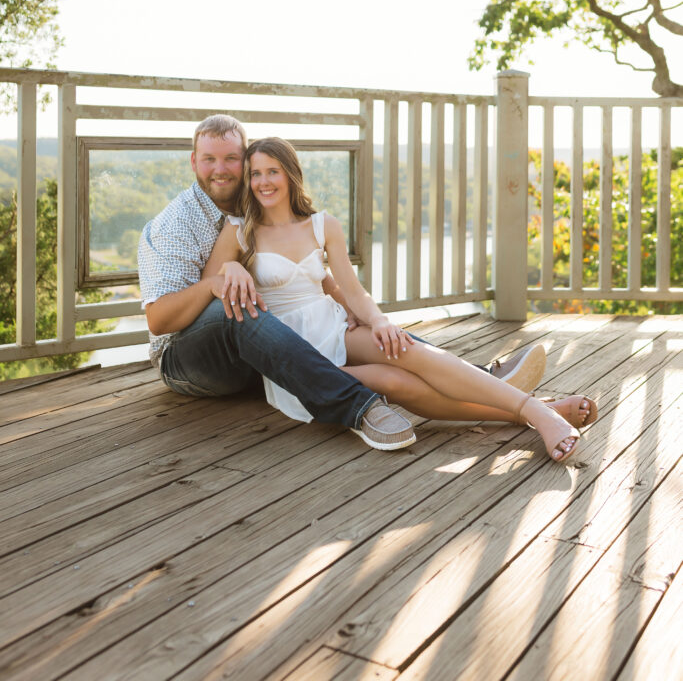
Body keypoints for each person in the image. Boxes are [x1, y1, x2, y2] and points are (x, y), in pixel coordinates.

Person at [138, 115, 548, 452]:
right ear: (193, 162)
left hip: (265, 347)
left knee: (381, 335)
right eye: (210, 160)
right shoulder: (178, 224)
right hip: (190, 359)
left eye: (232, 159)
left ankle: (492, 385)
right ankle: (361, 408)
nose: (222, 170)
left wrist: (352, 306)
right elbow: (159, 321)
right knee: (240, 306)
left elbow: (309, 270)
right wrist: (222, 277)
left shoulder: (261, 214)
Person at [204, 137, 598, 462]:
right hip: (290, 350)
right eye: (255, 173)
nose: (263, 181)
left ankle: (535, 413)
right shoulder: (241, 230)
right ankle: (533, 411)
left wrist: (378, 321)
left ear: (290, 175)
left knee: (410, 350)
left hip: (334, 326)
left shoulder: (323, 225)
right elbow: (210, 285)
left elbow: (350, 288)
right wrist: (231, 269)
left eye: (272, 171)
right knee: (397, 382)